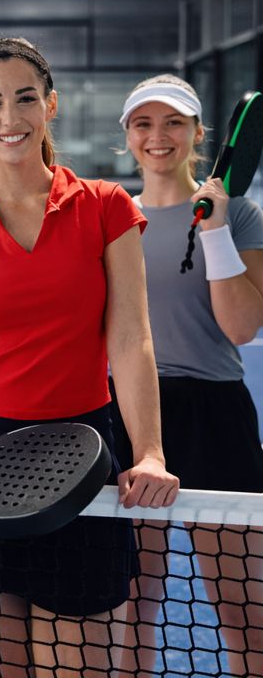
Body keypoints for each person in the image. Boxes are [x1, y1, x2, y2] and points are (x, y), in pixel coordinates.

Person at [0, 38, 179, 678]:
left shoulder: (107, 207)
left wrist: (150, 453)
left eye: (26, 98)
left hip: (81, 457)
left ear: (49, 105)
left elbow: (132, 338)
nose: (10, 117)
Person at [110, 75, 263, 677]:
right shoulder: (110, 216)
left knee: (240, 605)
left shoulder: (241, 214)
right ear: (127, 136)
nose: (157, 136)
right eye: (143, 124)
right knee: (132, 604)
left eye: (173, 122)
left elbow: (240, 328)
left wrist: (216, 230)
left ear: (197, 134)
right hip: (130, 411)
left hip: (215, 416)